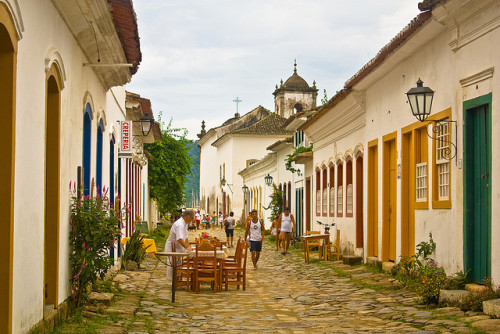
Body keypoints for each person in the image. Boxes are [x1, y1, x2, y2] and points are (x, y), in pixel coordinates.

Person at [165, 209, 195, 279]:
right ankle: (174, 282)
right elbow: (180, 238)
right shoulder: (179, 224)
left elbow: (186, 237)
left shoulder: (185, 224)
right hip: (173, 247)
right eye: (191, 218)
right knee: (173, 265)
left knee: (179, 265)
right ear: (187, 217)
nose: (192, 220)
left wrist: (188, 247)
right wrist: (187, 248)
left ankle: (178, 281)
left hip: (178, 247)